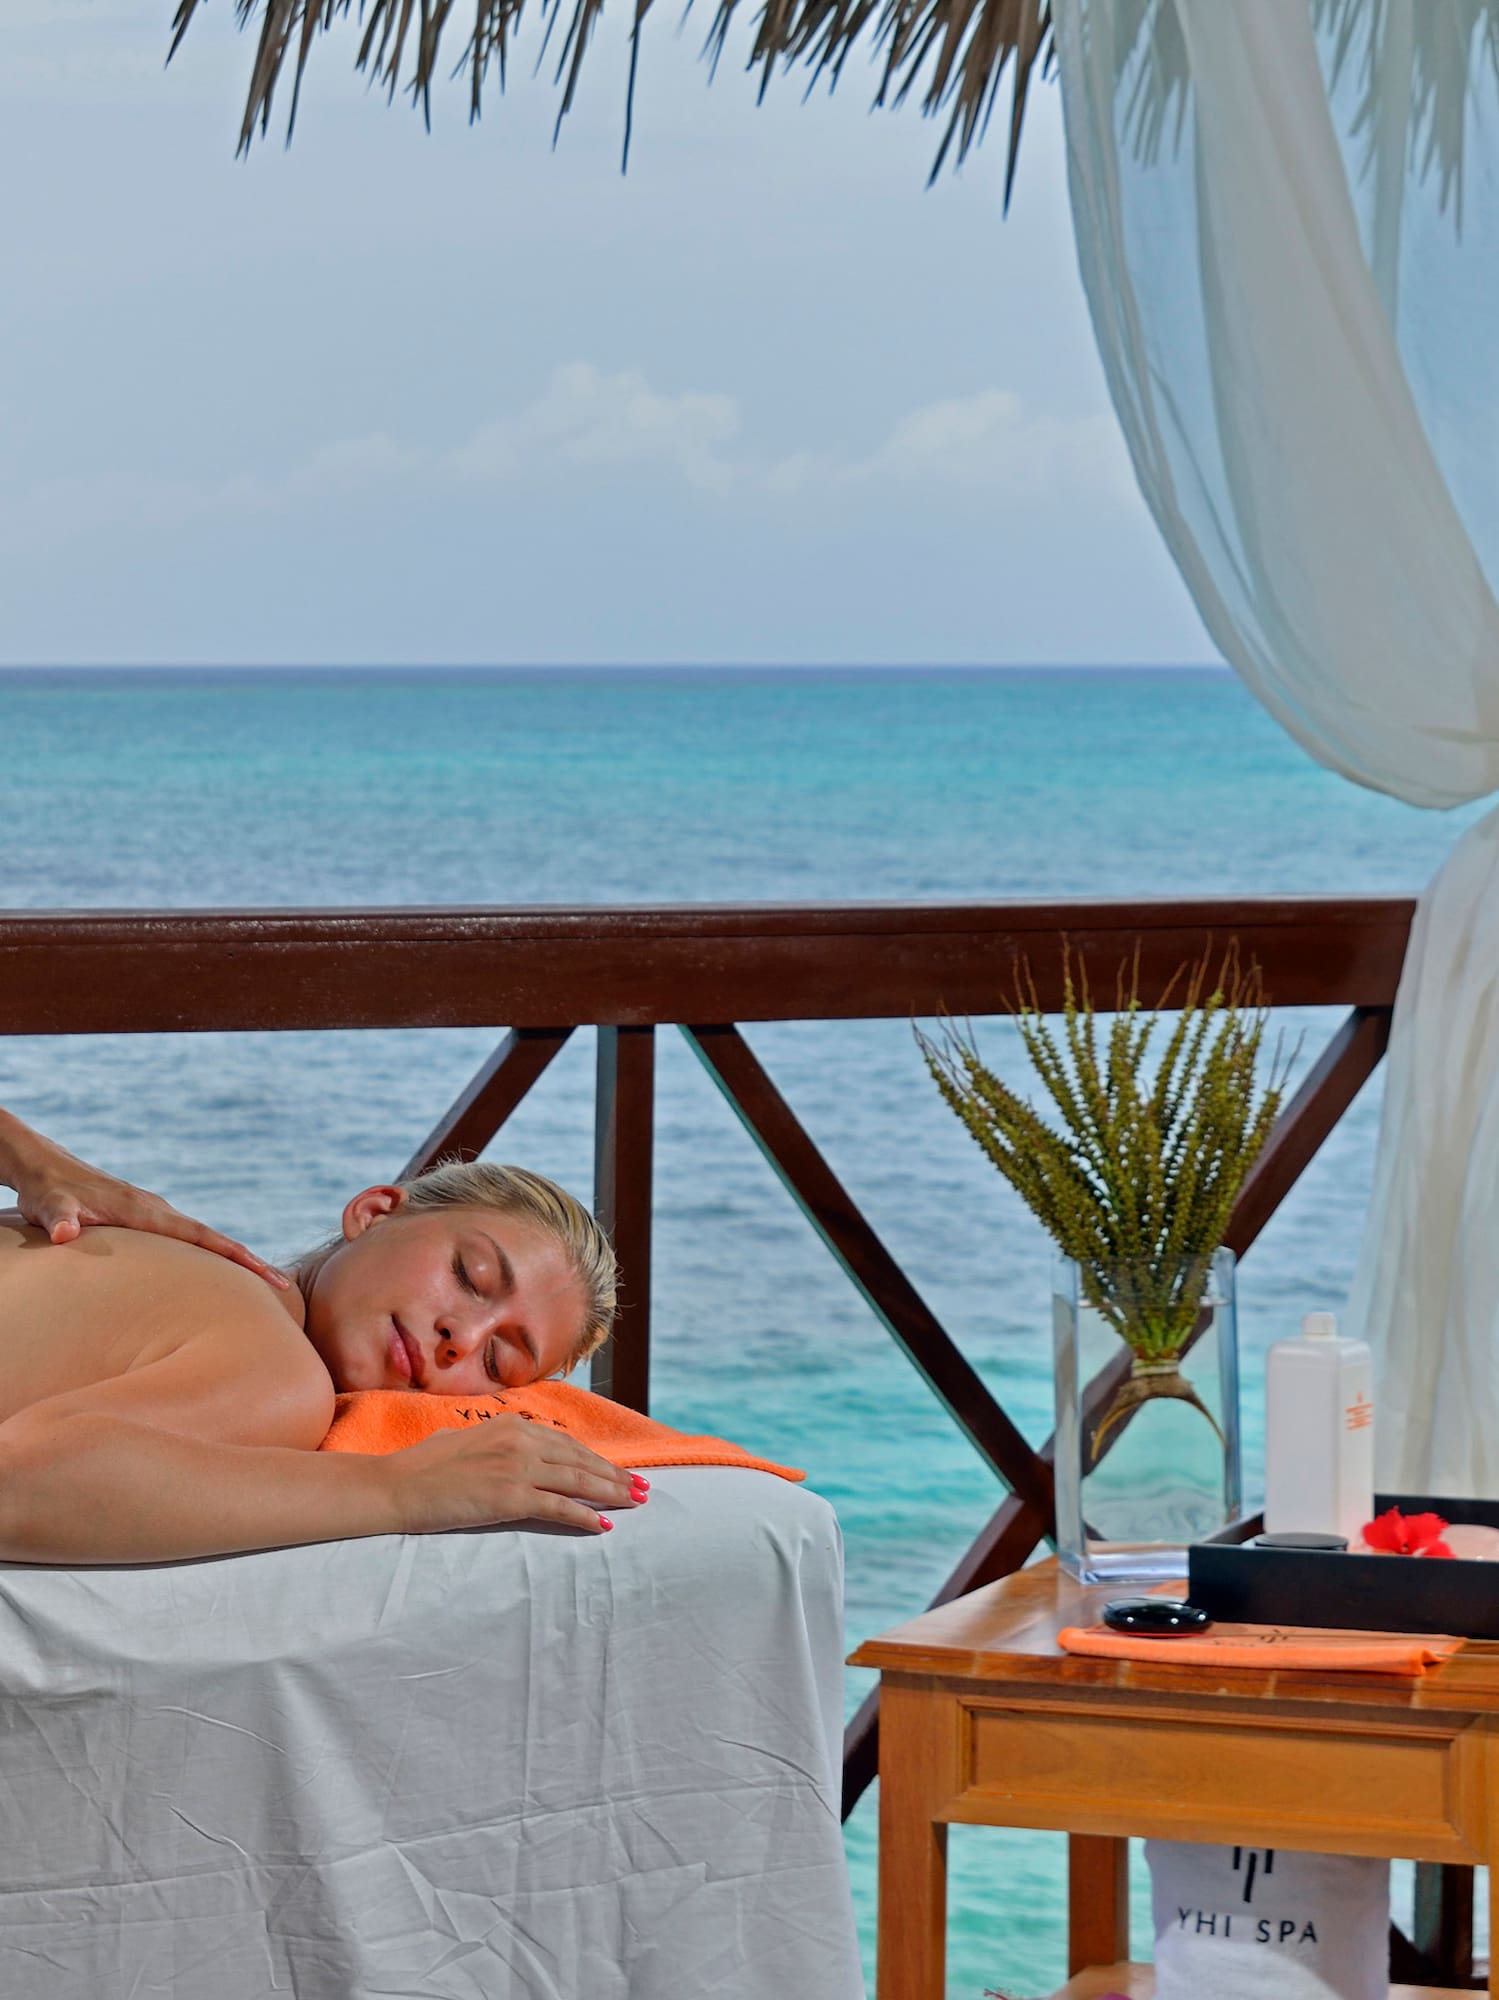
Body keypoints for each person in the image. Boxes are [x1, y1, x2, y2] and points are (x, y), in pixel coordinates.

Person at [0, 1108, 643, 1568]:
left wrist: (25, 1153)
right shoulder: (280, 1373)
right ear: (374, 1213)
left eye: (498, 1361)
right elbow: (18, 1483)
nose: (461, 1336)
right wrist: (400, 1490)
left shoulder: (194, 1271)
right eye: (468, 1276)